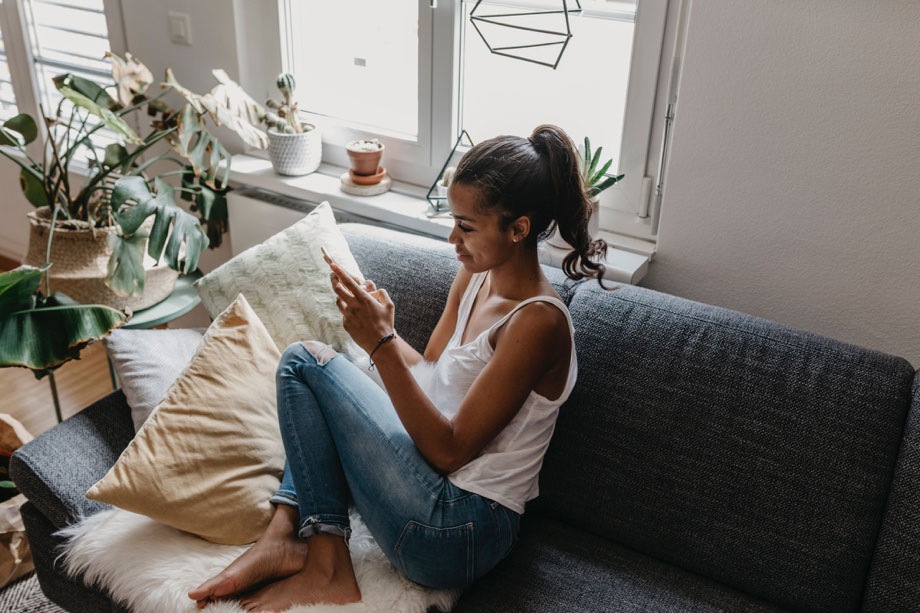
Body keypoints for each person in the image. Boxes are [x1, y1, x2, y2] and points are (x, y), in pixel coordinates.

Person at [188, 124, 610, 611]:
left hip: (459, 529)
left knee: (306, 362)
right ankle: (285, 533)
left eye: (467, 227)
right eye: (455, 221)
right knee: (336, 360)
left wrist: (383, 345)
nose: (453, 238)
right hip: (428, 490)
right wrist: (377, 333)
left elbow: (450, 450)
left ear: (518, 228)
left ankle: (325, 566)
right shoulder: (476, 277)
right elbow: (430, 375)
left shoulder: (537, 322)